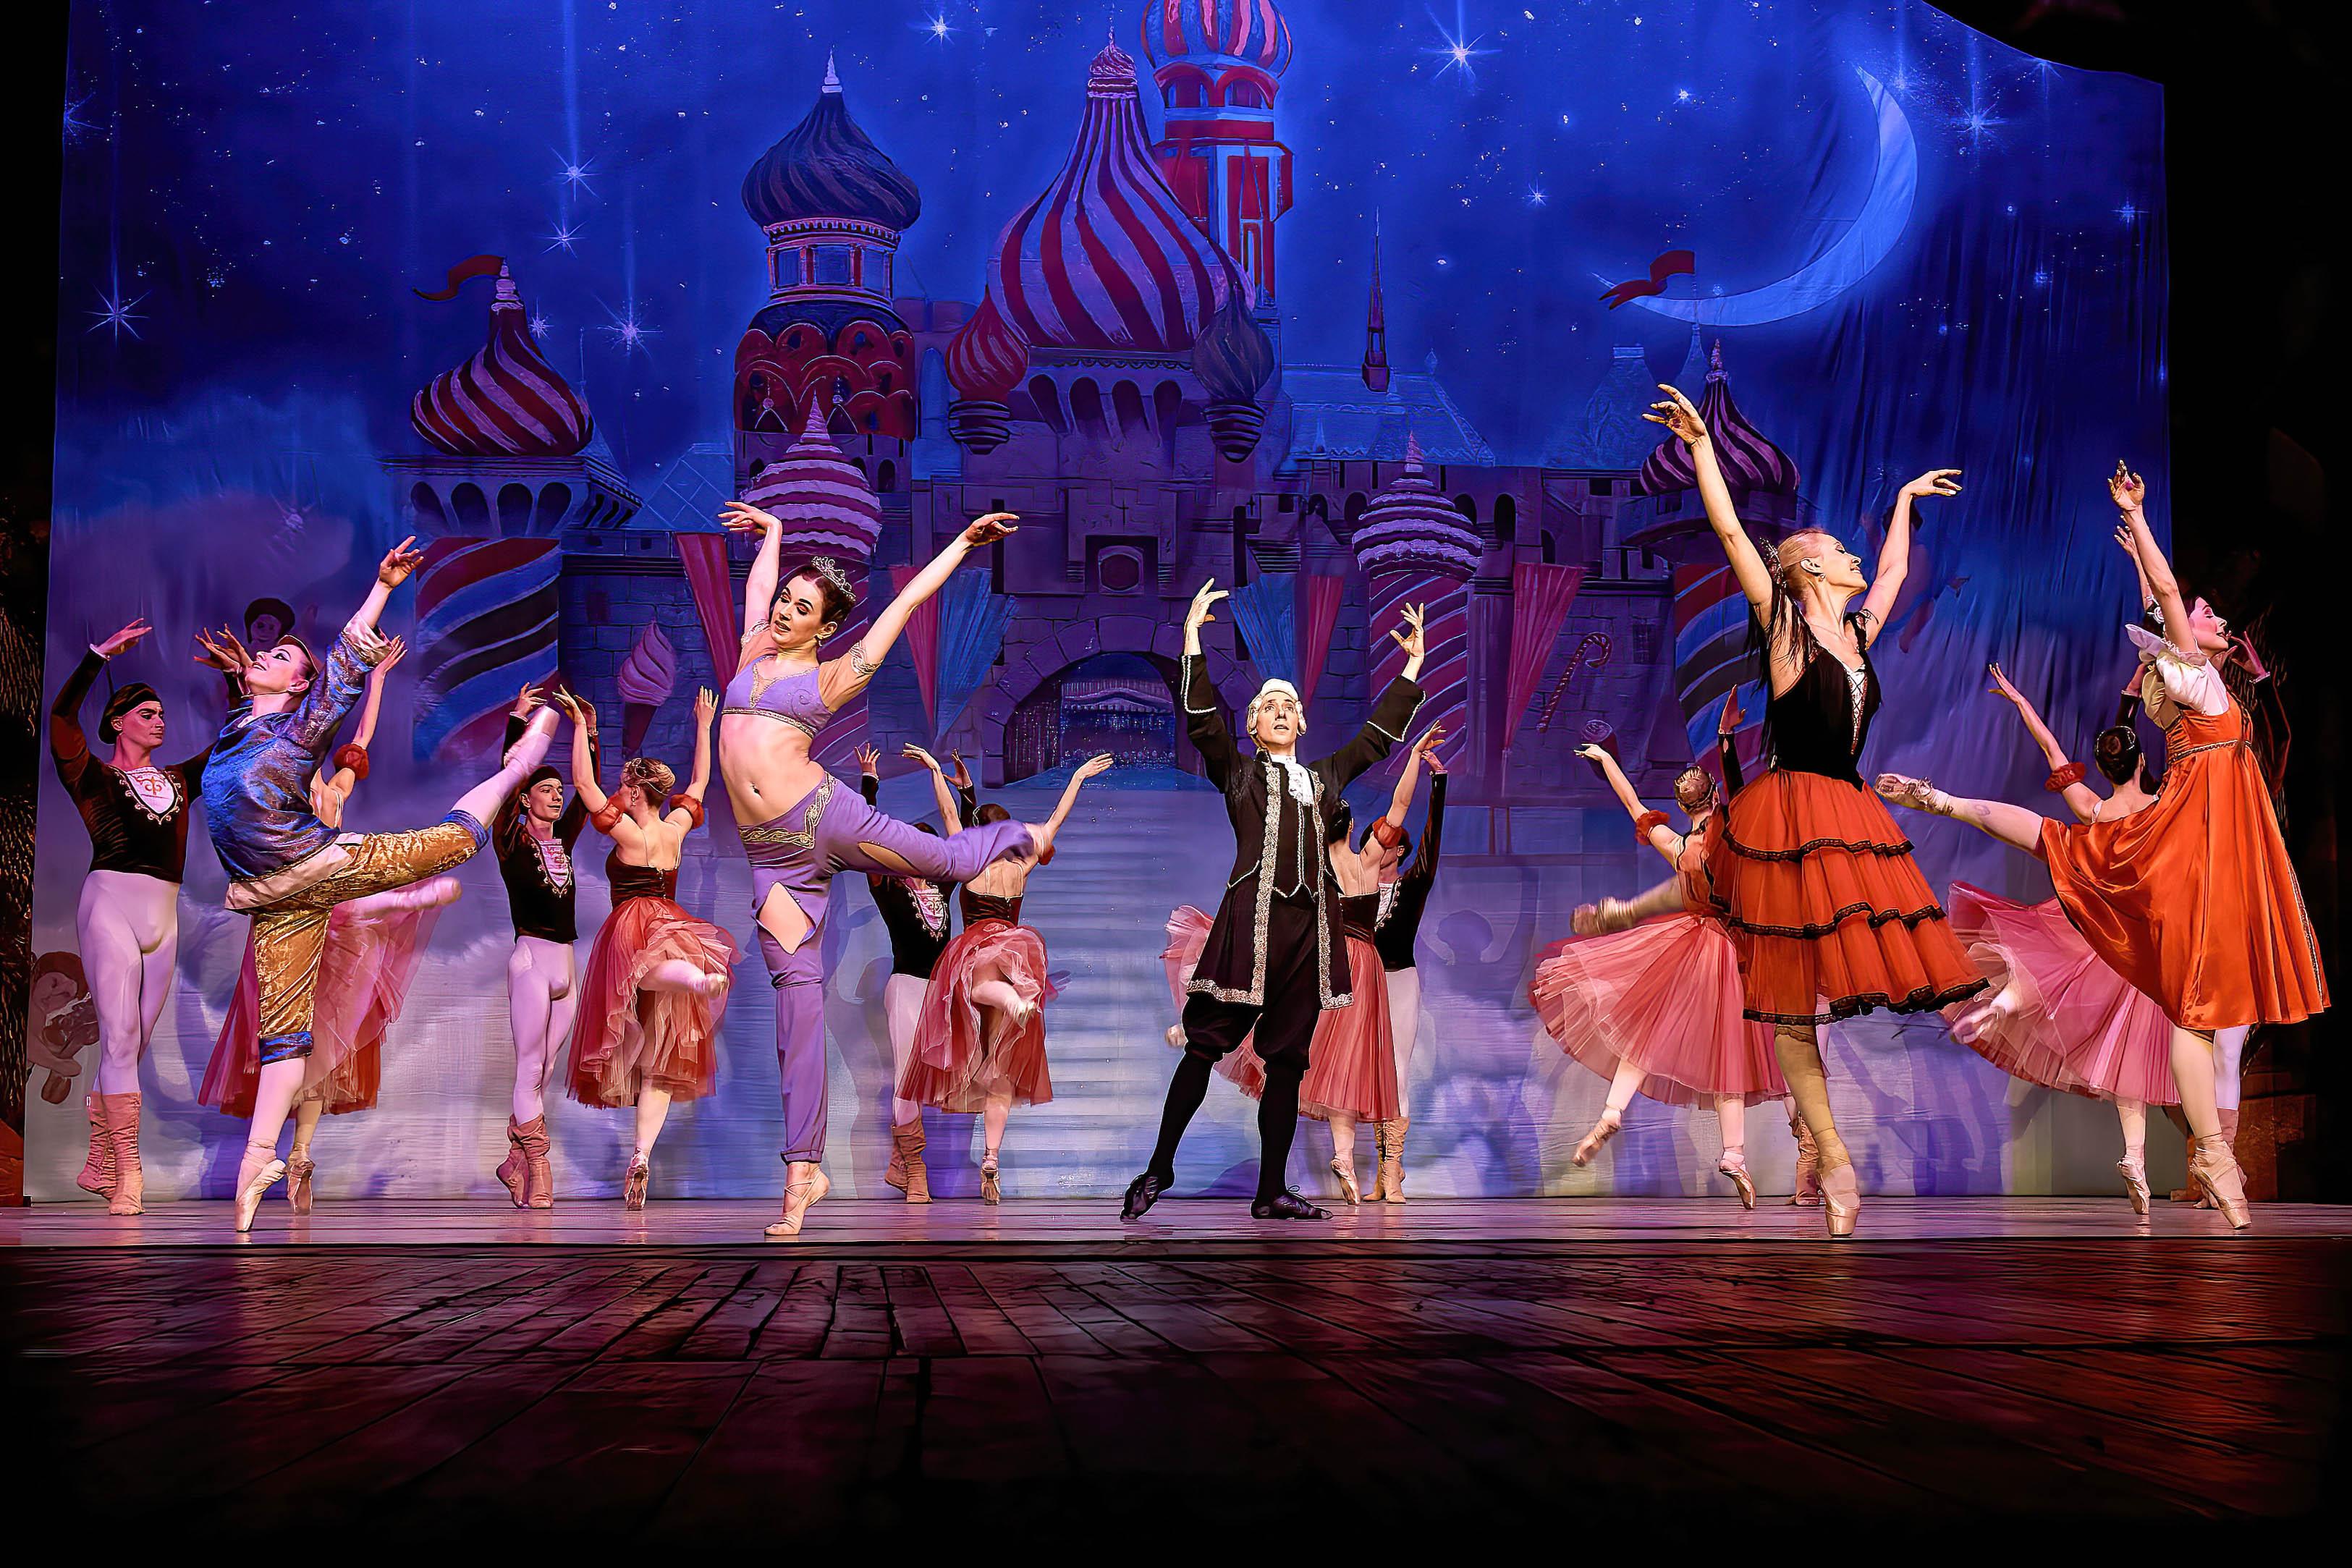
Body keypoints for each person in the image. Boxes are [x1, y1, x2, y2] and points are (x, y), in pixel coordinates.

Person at [1877, 466, 2327, 1229]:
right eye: (2202, 611)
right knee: (2076, 858)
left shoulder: (2200, 686)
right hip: (2188, 846)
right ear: (2183, 644)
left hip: (2204, 849)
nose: (2211, 612)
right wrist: (2141, 519)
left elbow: (2160, 604)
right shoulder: (2195, 682)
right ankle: (2214, 1155)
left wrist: (2145, 572)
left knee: (2191, 1012)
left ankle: (2213, 1156)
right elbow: (2166, 594)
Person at [1649, 381, 1981, 1239]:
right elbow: (1732, 535)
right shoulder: (1785, 627)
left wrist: (1903, 501)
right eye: (1838, 549)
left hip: (1848, 813)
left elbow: (1895, 572)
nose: (1852, 554)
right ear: (1806, 570)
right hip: (1790, 815)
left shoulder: (1858, 633)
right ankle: (1831, 1155)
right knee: (1791, 1001)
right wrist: (1702, 450)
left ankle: (1823, 1149)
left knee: (1836, 980)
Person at [195, 538, 559, 1232]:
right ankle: (258, 1163)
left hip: (319, 863)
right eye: (266, 652)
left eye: (280, 655)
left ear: (300, 686)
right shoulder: (241, 725)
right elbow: (257, 694)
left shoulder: (300, 729)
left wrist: (383, 587)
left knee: (447, 844)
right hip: (274, 898)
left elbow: (342, 666)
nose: (264, 654)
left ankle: (513, 770)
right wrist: (247, 669)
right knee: (282, 1034)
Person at [714, 499, 1055, 1239]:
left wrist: (962, 542)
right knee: (796, 1011)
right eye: (785, 600)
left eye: (801, 608)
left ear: (824, 628)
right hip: (774, 861)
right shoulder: (751, 654)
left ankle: (1014, 834)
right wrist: (775, 533)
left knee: (941, 859)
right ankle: (802, 1173)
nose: (784, 611)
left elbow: (903, 605)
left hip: (825, 818)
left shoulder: (832, 677)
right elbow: (756, 589)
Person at [1122, 580, 1426, 1224]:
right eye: (1270, 705)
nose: (1282, 710)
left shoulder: (1323, 779)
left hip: (1308, 940)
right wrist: (1191, 638)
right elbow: (1203, 724)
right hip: (1250, 929)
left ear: (1302, 722)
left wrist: (1411, 668)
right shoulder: (1240, 774)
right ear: (1255, 725)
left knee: (1287, 1064)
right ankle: (1159, 1166)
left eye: (1290, 704)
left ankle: (1271, 1190)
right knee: (1204, 1045)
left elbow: (1374, 740)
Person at [198, 637, 460, 1213]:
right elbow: (248, 734)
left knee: (325, 1037)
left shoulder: (334, 788)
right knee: (290, 1034)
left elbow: (359, 739)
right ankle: (284, 1152)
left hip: (338, 922)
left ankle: (300, 1153)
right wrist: (241, 677)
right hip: (293, 917)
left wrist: (378, 681)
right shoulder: (277, 774)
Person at [1534, 728, 1792, 1208]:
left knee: (1646, 1037)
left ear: (1681, 807)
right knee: (1730, 1056)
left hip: (1687, 945)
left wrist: (1606, 759)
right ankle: (1734, 1154)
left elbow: (1634, 805)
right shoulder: (1729, 838)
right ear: (1714, 799)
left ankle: (1612, 1112)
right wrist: (1733, 743)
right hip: (1730, 950)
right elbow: (1743, 799)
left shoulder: (1678, 846)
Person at [48, 617, 213, 1213]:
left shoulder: (178, 780)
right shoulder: (93, 776)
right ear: (118, 722)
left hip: (164, 918)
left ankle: (97, 1160)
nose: (160, 721)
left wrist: (239, 685)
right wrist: (96, 656)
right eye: (147, 713)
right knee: (118, 1039)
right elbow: (61, 719)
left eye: (163, 714)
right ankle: (128, 1174)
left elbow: (232, 748)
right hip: (110, 905)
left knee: (133, 1044)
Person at [899, 747, 1114, 1201]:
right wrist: (1077, 777)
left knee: (979, 986)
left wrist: (935, 771)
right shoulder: (1021, 866)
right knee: (998, 1070)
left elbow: (948, 814)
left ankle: (1011, 1000)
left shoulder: (970, 862)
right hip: (1016, 950)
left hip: (979, 948)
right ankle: (991, 1158)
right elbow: (1054, 823)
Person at [554, 689, 735, 1209]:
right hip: (673, 922)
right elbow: (698, 783)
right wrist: (704, 725)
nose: (618, 791)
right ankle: (641, 1155)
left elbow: (583, 783)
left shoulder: (631, 836)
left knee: (643, 974)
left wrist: (581, 726)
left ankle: (696, 979)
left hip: (634, 925)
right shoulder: (676, 828)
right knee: (660, 1059)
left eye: (624, 785)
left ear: (636, 791)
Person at [1295, 726, 1443, 1204]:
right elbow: (1399, 806)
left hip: (1352, 969)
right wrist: (1414, 758)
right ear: (1350, 826)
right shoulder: (1363, 862)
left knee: (1357, 1065)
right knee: (1350, 1062)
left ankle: (1373, 1164)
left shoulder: (1319, 866)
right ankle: (1357, 1162)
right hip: (1362, 968)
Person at [489, 682, 599, 1208]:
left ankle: (512, 1162)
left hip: (566, 968)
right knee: (529, 1067)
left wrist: (588, 733)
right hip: (532, 960)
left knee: (545, 1071)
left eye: (558, 790)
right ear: (527, 798)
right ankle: (537, 1163)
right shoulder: (511, 842)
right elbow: (505, 783)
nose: (557, 795)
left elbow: (586, 789)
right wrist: (517, 723)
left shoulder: (564, 841)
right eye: (547, 789)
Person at [854, 744, 978, 1204]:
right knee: (908, 1075)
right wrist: (870, 783)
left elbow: (965, 839)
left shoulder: (942, 888)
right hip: (907, 987)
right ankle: (916, 1170)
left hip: (942, 990)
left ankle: (899, 1162)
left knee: (943, 1075)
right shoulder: (887, 887)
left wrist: (963, 788)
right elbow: (862, 833)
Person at [1365, 729, 1447, 1202]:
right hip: (1362, 985)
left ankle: (1392, 1168)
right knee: (1365, 1074)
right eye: (1374, 840)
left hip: (1399, 982)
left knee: (1395, 1070)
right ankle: (1377, 1170)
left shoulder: (1412, 885)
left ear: (1399, 851)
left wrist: (1439, 784)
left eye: (1388, 841)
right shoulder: (1355, 890)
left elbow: (1432, 843)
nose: (1380, 846)